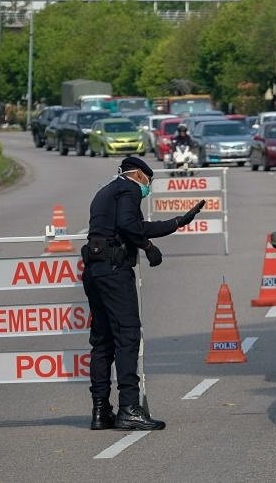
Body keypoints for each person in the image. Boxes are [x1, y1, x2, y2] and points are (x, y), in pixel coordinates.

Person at [83, 156, 205, 430]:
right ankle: (129, 408)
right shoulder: (128, 189)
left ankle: (101, 411)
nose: (148, 186)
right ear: (138, 174)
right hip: (114, 271)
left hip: (95, 270)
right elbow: (130, 226)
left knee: (102, 341)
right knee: (127, 337)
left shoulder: (105, 191)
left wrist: (175, 223)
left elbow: (128, 226)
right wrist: (150, 246)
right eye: (148, 181)